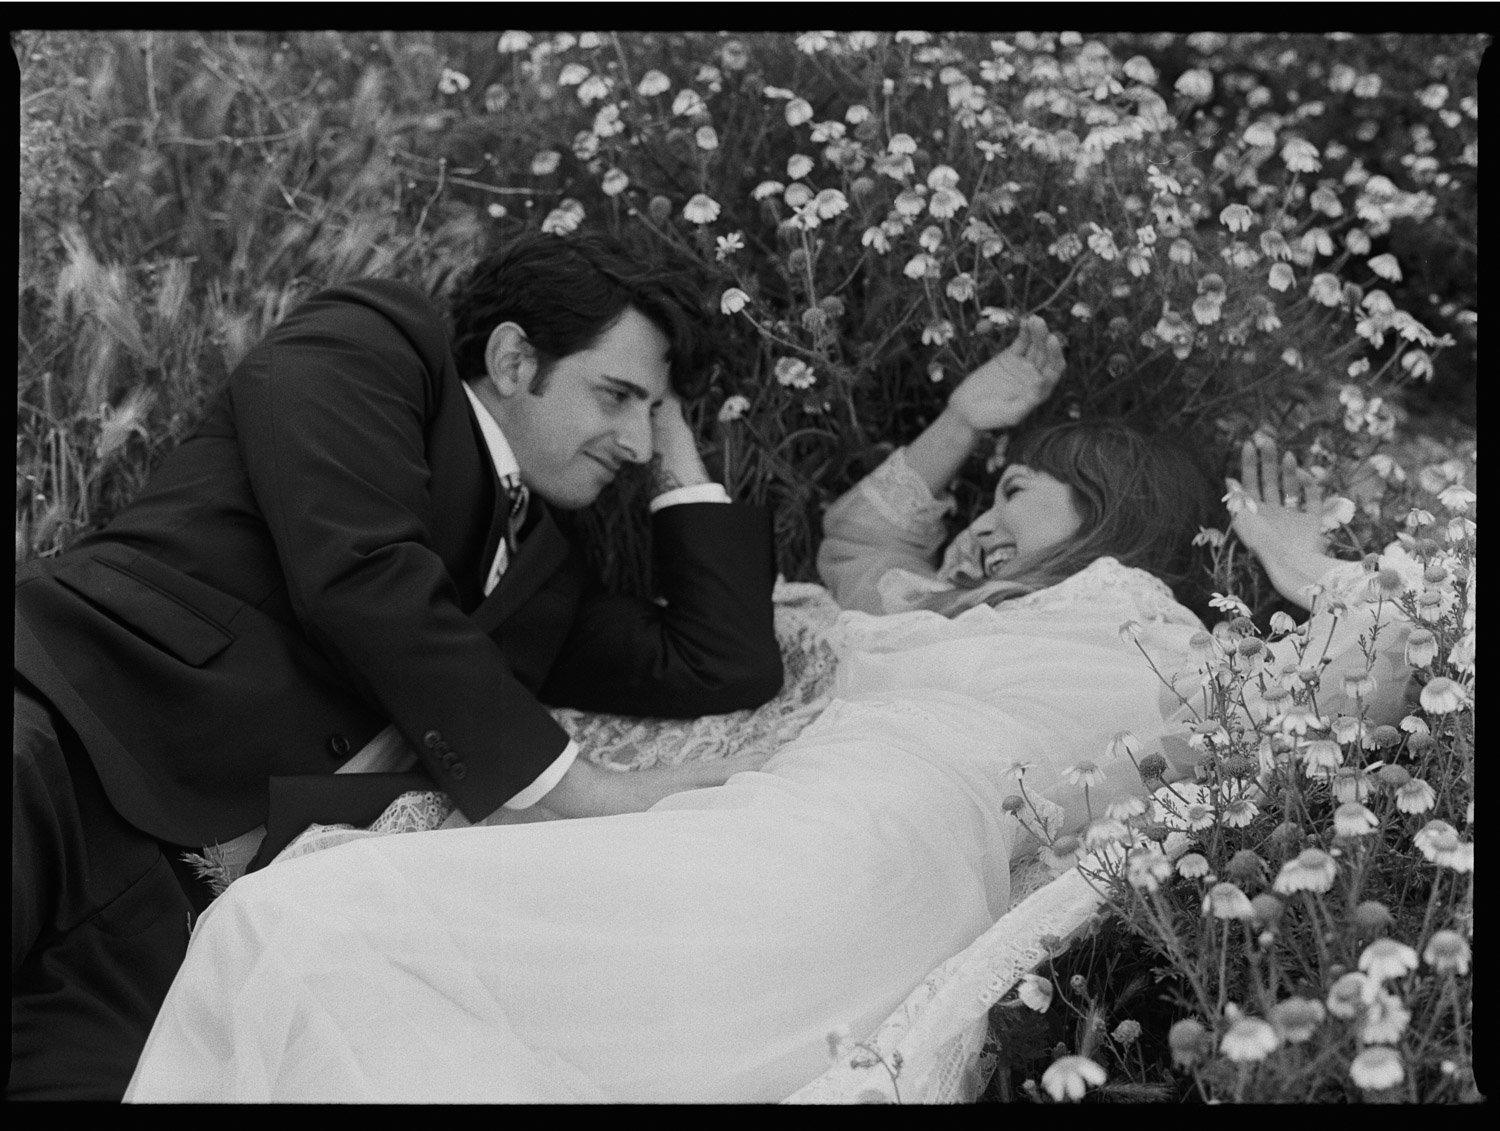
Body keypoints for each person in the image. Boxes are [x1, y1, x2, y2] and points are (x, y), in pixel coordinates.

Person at [121, 316, 1298, 1103]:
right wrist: (964, 427)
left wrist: (1308, 579)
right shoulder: (929, 608)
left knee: (298, 936)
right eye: (985, 495)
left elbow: (1296, 708)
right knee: (319, 960)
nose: (983, 519)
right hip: (791, 827)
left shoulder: (1141, 623)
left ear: (1113, 509)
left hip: (857, 838)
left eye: (1023, 492)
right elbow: (863, 539)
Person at [12, 229, 785, 1101]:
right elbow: (362, 573)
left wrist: (676, 434)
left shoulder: (550, 579)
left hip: (175, 924)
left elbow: (718, 663)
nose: (636, 443)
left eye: (652, 412)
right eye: (615, 395)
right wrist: (585, 791)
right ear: (512, 356)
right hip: (71, 738)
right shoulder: (376, 341)